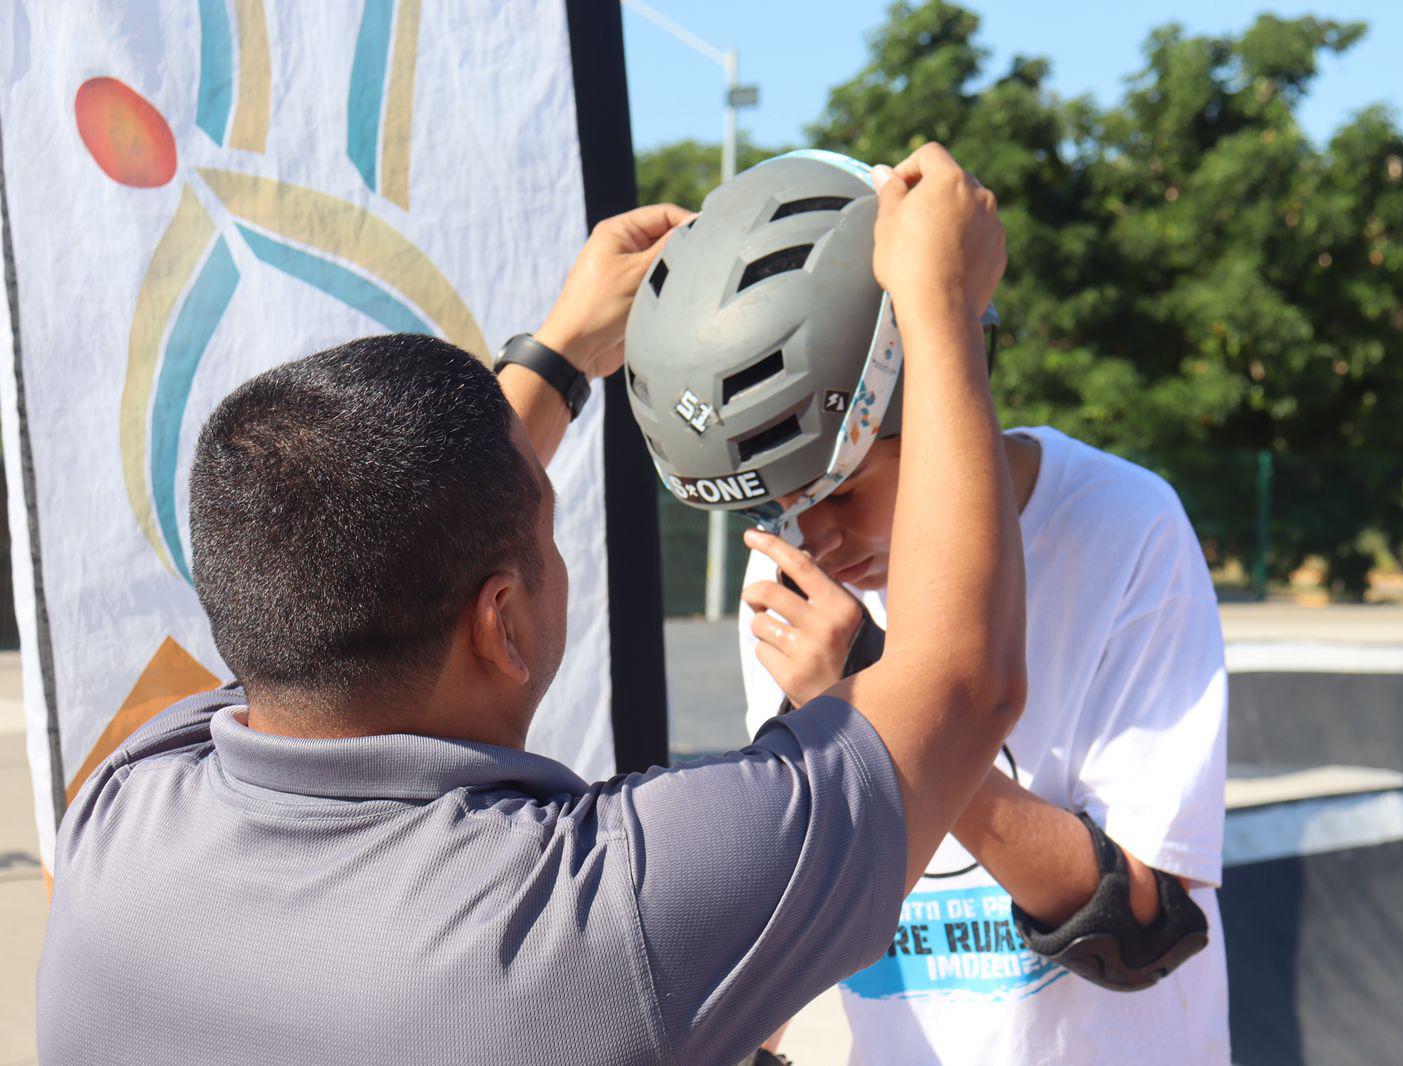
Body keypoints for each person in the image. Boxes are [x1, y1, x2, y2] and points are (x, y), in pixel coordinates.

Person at [36, 145, 1023, 1066]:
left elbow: (353, 564)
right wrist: (936, 309)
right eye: (545, 527)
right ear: (500, 620)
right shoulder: (594, 912)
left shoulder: (124, 805)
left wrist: (556, 353)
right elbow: (958, 682)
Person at [628, 149, 1229, 1064]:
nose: (813, 538)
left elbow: (1146, 927)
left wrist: (876, 700)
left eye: (842, 489)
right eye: (776, 505)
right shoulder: (803, 596)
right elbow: (802, 901)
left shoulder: (1118, 525)